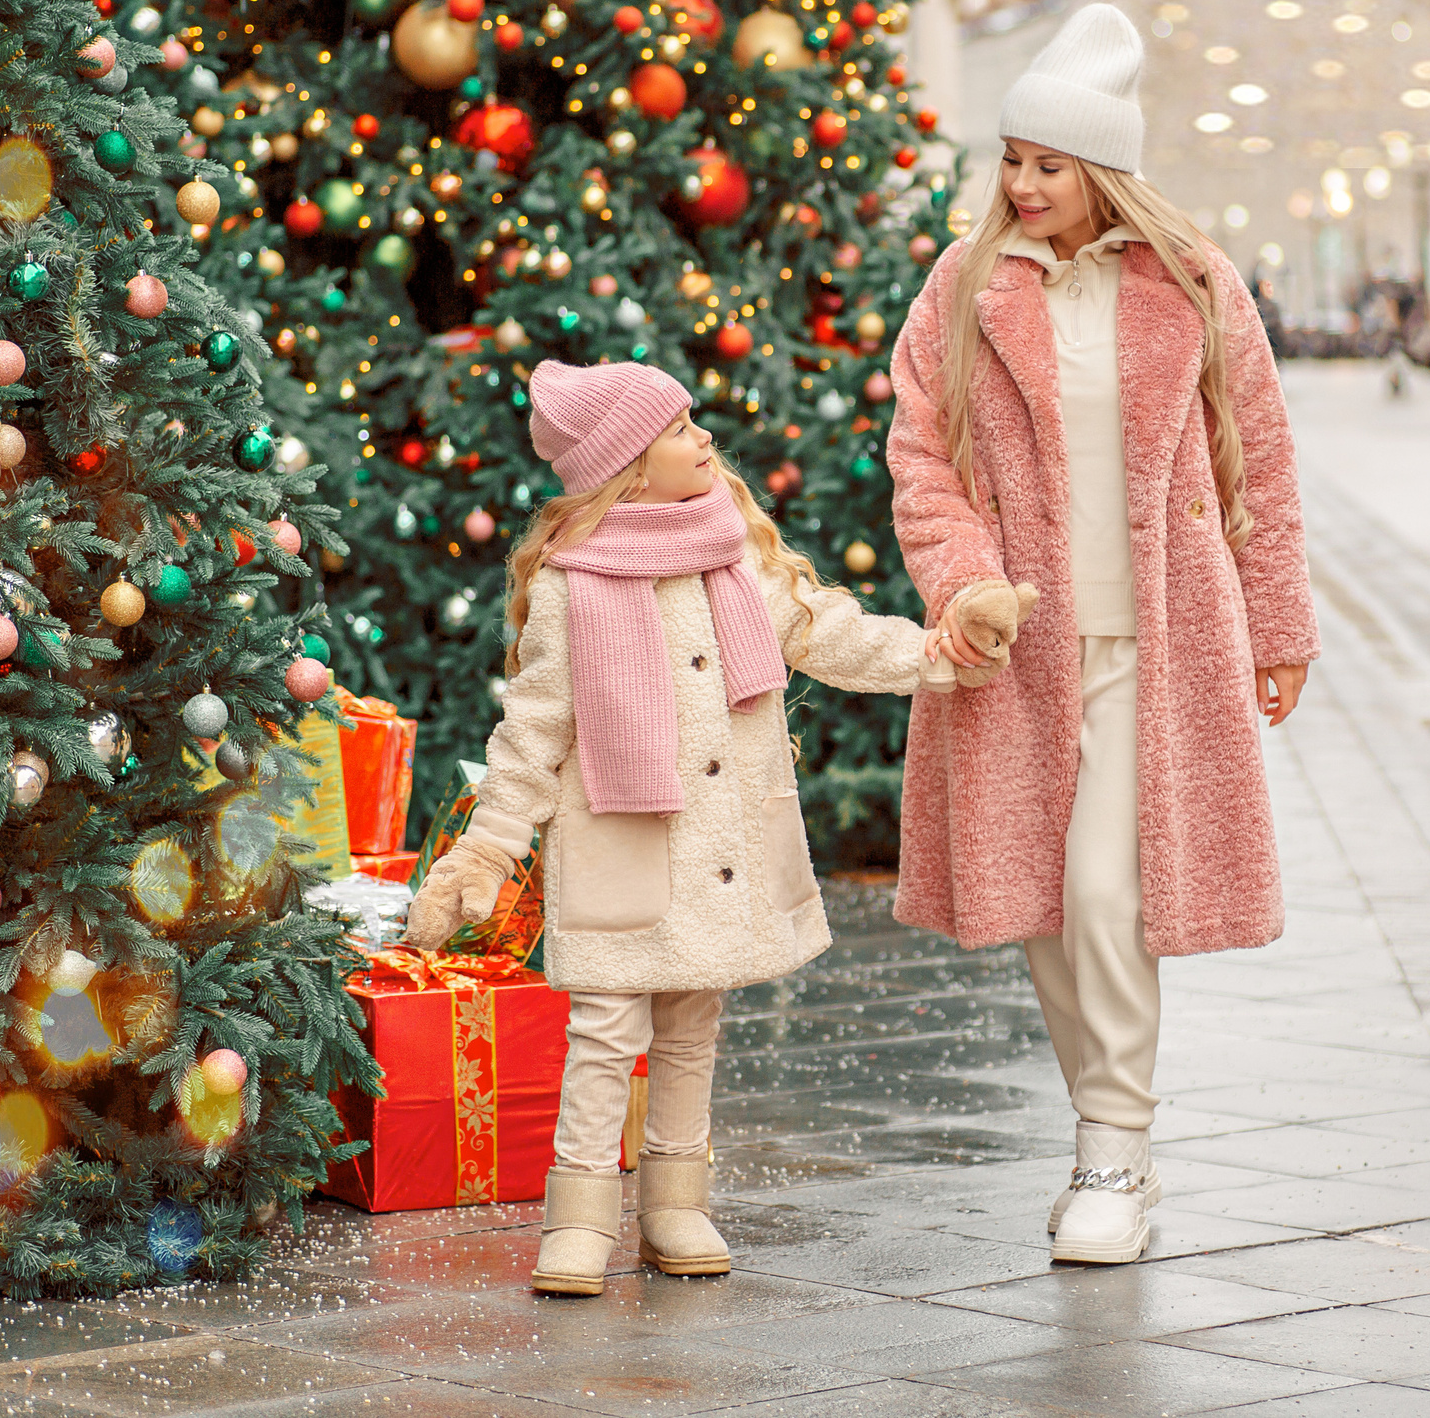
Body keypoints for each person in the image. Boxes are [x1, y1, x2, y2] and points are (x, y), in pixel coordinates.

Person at [403, 360, 1034, 1295]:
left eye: (695, 420)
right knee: (605, 1032)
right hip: (620, 842)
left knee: (692, 1028)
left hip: (719, 847)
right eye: (679, 428)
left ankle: (675, 1203)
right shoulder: (574, 586)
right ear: (627, 467)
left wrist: (936, 654)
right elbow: (533, 731)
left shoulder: (731, 553)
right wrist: (489, 847)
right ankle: (580, 1215)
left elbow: (825, 632)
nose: (704, 438)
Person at [886, 4, 1321, 1265]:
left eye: (1049, 165)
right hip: (1016, 646)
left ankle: (1112, 1155)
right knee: (1037, 901)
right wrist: (964, 584)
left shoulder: (1194, 283)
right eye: (1011, 159)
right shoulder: (963, 287)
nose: (1021, 186)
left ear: (1104, 170)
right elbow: (922, 458)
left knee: (1103, 894)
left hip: (1158, 643)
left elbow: (1259, 459)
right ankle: (1109, 1128)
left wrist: (1277, 623)